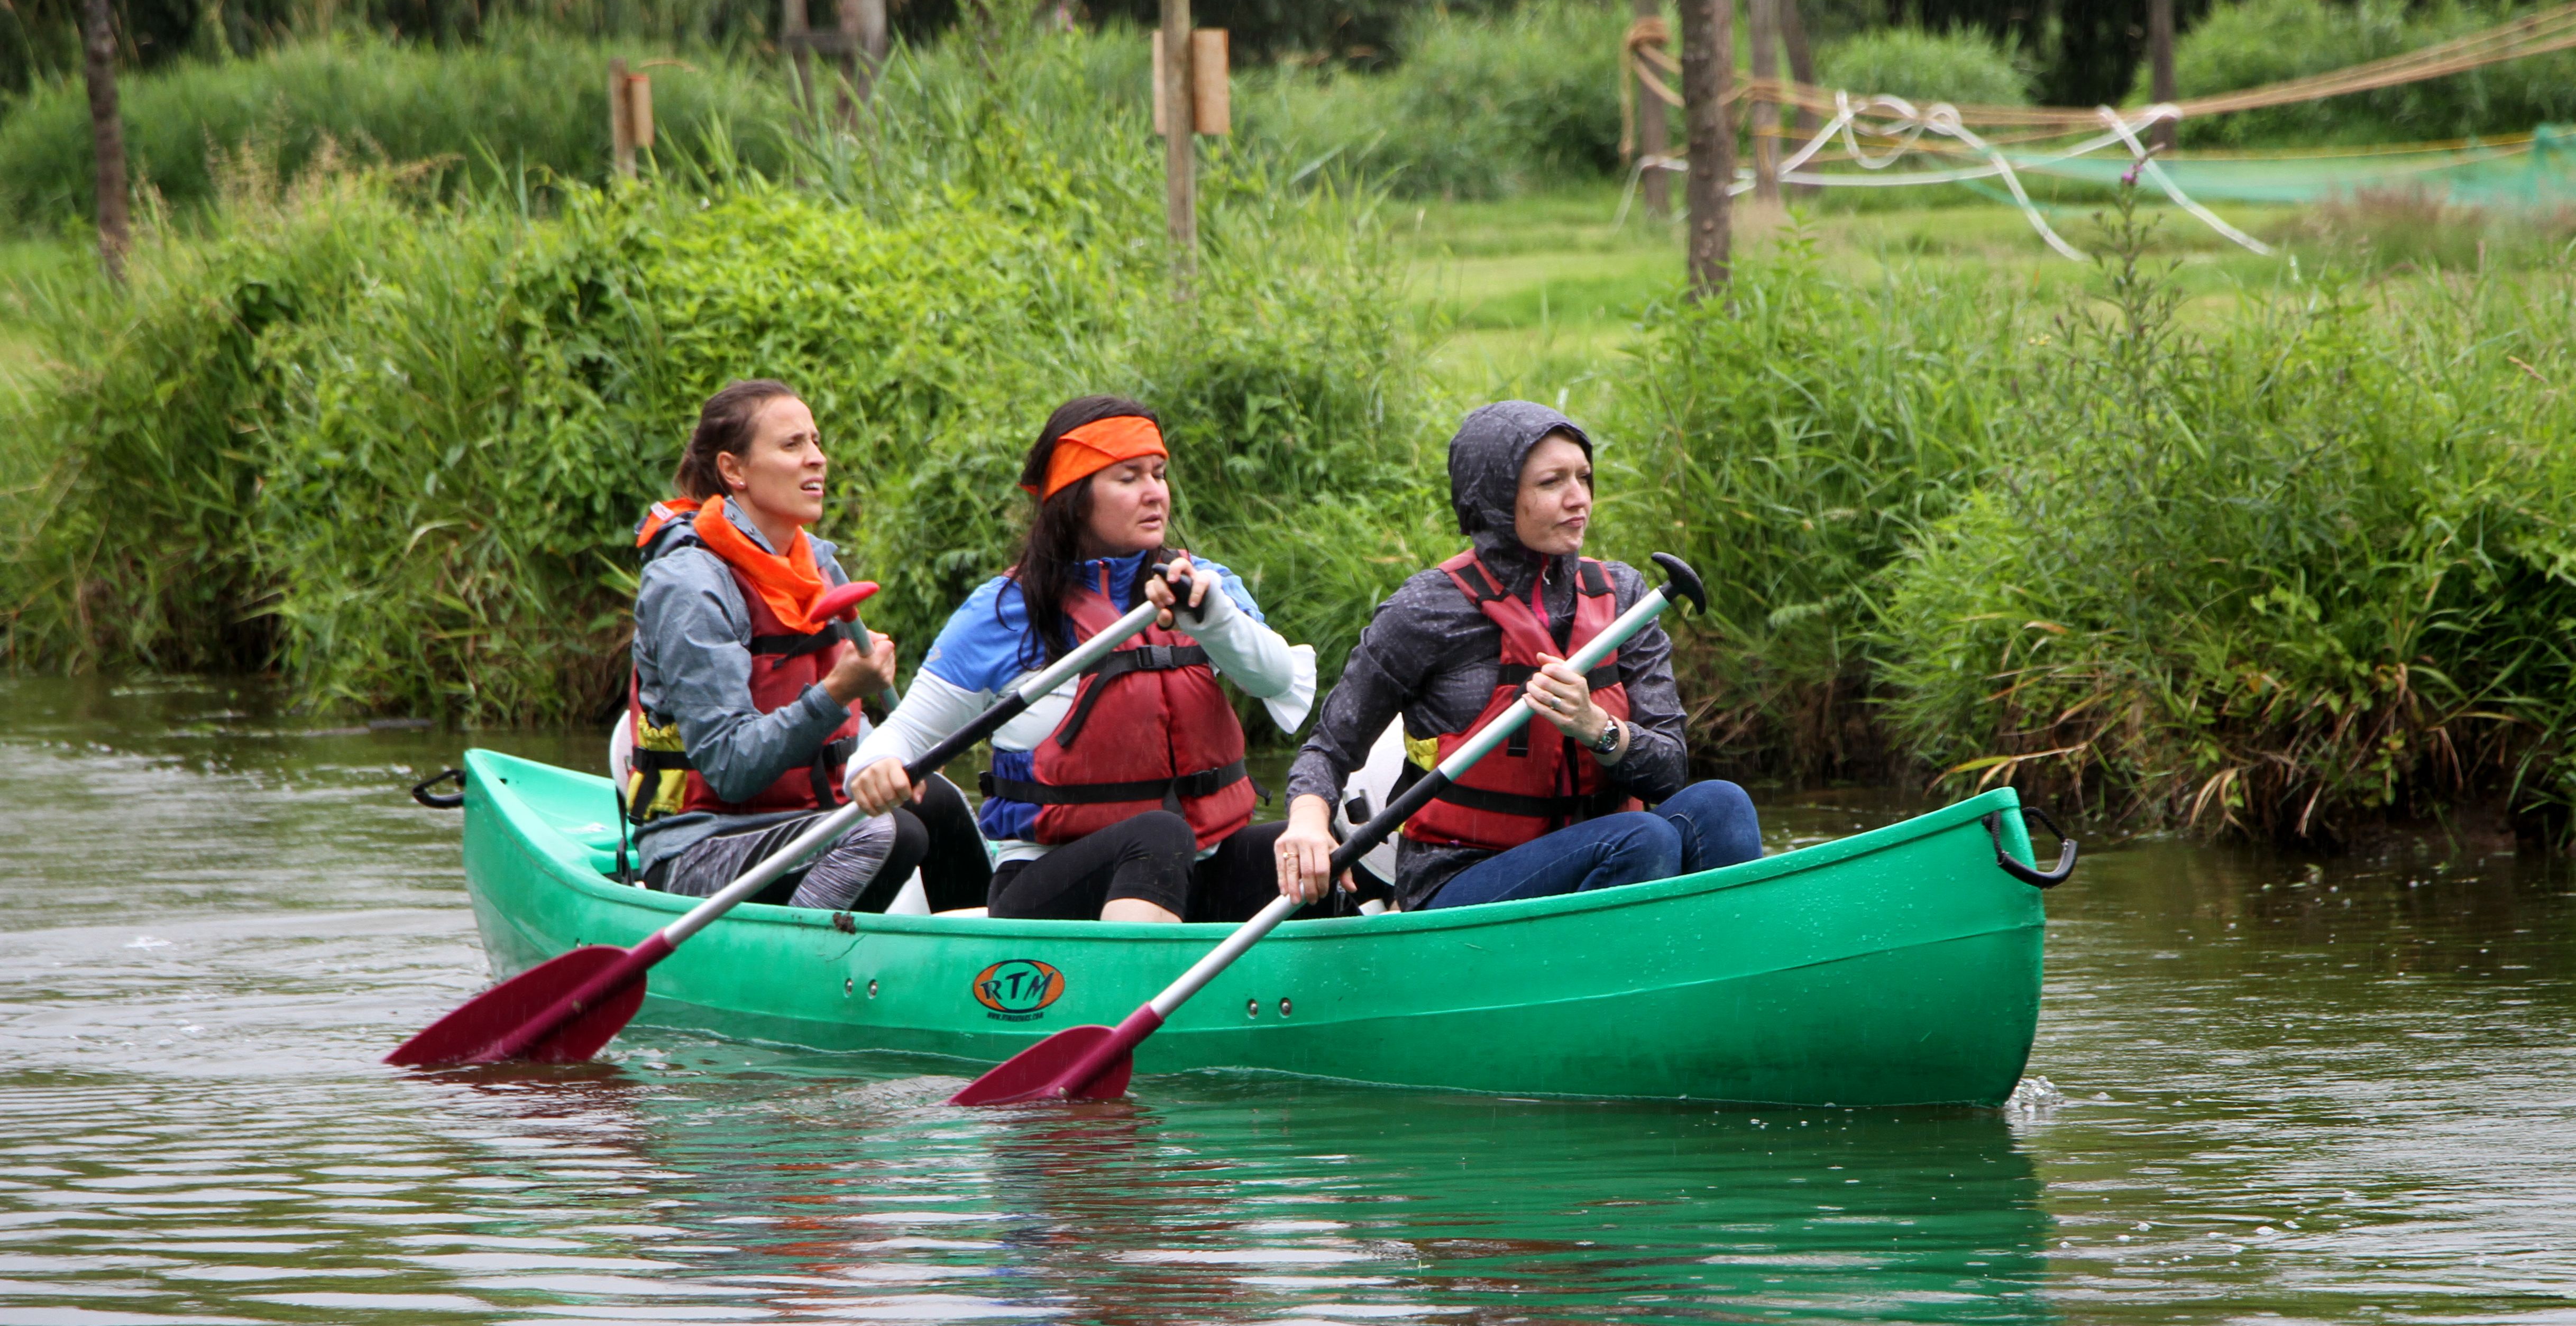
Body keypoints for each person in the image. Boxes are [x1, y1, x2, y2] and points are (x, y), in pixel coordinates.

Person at [844, 395, 1319, 923]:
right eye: (1128, 478)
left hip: (1195, 871)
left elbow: (1278, 681)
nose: (1154, 493)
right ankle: (1134, 978)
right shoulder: (1004, 612)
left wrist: (1214, 619)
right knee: (1159, 837)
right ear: (1073, 500)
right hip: (1047, 886)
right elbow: (903, 736)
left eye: (1159, 474)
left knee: (1311, 851)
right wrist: (874, 767)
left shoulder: (1204, 586)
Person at [1278, 400, 1761, 912]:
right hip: (1464, 878)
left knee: (1722, 805)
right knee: (1643, 839)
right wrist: (1307, 822)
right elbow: (1329, 749)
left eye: (1584, 477)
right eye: (1552, 483)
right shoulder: (1426, 611)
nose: (1579, 499)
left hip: (1611, 848)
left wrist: (1597, 728)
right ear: (1496, 497)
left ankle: (1725, 953)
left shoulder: (1624, 597)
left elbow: (1668, 773)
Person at [624, 379, 988, 914]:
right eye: (792, 445)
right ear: (734, 470)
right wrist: (836, 691)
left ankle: (989, 957)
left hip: (811, 819)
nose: (817, 458)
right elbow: (730, 768)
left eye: (815, 442)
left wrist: (885, 757)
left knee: (938, 801)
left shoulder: (818, 565)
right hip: (702, 846)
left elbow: (850, 735)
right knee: (886, 832)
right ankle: (800, 956)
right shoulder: (689, 584)